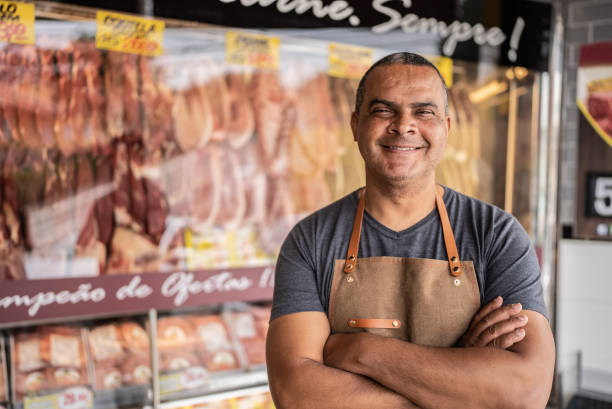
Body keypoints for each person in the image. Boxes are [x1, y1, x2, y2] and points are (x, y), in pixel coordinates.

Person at [266, 52, 555, 409]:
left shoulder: (496, 235)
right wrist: (462, 387)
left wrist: (360, 351)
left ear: (446, 128)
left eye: (424, 112)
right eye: (384, 110)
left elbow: (527, 392)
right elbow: (297, 395)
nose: (404, 126)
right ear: (356, 125)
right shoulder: (310, 240)